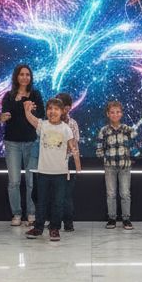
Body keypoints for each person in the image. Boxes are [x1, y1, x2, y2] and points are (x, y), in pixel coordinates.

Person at [24, 96, 74, 244]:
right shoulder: (43, 125)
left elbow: (72, 148)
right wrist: (27, 109)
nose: (53, 111)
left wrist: (74, 164)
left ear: (62, 112)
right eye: (50, 108)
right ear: (46, 111)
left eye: (56, 109)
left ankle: (55, 228)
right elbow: (30, 118)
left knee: (58, 202)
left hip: (60, 172)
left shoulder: (66, 128)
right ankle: (38, 227)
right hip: (43, 172)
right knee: (41, 201)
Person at [0, 64, 43, 226]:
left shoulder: (36, 94)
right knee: (14, 181)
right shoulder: (8, 96)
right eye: (22, 74)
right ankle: (16, 214)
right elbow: (8, 115)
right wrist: (23, 105)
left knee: (31, 181)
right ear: (16, 76)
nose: (25, 77)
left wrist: (26, 108)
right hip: (12, 143)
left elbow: (41, 115)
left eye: (28, 75)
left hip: (32, 142)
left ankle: (31, 213)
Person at [96, 100, 134, 230]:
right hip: (110, 166)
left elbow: (135, 139)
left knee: (125, 193)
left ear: (122, 114)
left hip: (125, 166)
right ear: (108, 114)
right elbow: (99, 147)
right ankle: (112, 218)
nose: (115, 115)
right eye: (112, 112)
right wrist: (103, 157)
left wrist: (130, 154)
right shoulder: (104, 131)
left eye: (118, 112)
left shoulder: (126, 129)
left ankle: (126, 218)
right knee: (111, 193)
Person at [56, 92, 82, 232]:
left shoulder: (72, 123)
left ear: (67, 108)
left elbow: (74, 144)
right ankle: (55, 221)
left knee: (66, 193)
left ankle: (68, 221)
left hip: (69, 161)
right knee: (55, 193)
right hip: (53, 160)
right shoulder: (50, 123)